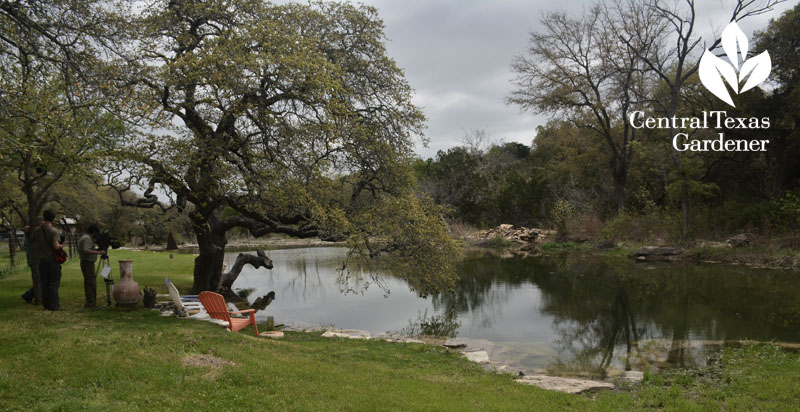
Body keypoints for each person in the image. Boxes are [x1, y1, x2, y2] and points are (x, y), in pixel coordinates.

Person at [31, 210, 64, 311]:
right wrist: (62, 245)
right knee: (54, 283)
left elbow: (33, 242)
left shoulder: (36, 230)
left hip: (41, 259)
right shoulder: (53, 231)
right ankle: (54, 305)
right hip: (52, 260)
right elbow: (56, 247)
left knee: (44, 283)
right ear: (53, 218)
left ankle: (46, 304)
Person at [77, 224, 106, 309]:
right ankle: (91, 303)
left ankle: (90, 302)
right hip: (87, 263)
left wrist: (96, 250)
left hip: (88, 262)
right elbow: (86, 250)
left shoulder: (85, 237)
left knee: (89, 282)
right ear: (94, 232)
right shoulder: (87, 238)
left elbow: (88, 249)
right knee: (91, 283)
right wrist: (99, 252)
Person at [21, 217, 44, 305]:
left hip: (36, 258)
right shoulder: (31, 231)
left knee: (41, 279)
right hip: (34, 258)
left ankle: (30, 295)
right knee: (40, 280)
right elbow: (26, 228)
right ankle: (28, 295)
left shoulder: (35, 232)